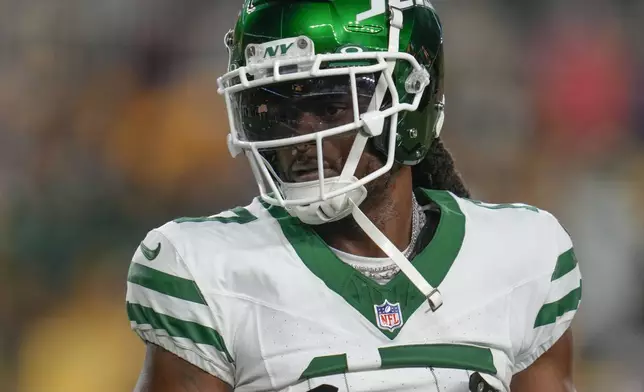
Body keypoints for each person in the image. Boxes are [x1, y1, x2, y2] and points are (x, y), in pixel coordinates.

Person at [126, 1, 582, 391]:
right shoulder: (206, 269)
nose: (299, 138)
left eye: (328, 107)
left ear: (407, 103)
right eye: (276, 110)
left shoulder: (523, 256)